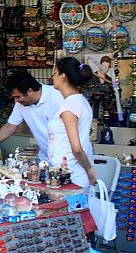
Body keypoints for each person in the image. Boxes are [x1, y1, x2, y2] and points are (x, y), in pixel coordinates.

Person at [0, 70, 64, 162]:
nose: (15, 101)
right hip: (46, 157)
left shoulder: (57, 96)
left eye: (18, 97)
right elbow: (9, 127)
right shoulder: (20, 104)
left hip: (67, 158)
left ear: (30, 90)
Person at [47, 57, 96, 190]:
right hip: (67, 172)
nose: (53, 77)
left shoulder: (70, 106)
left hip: (71, 174)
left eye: (55, 73)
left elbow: (77, 148)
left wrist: (90, 171)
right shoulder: (79, 101)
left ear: (63, 76)